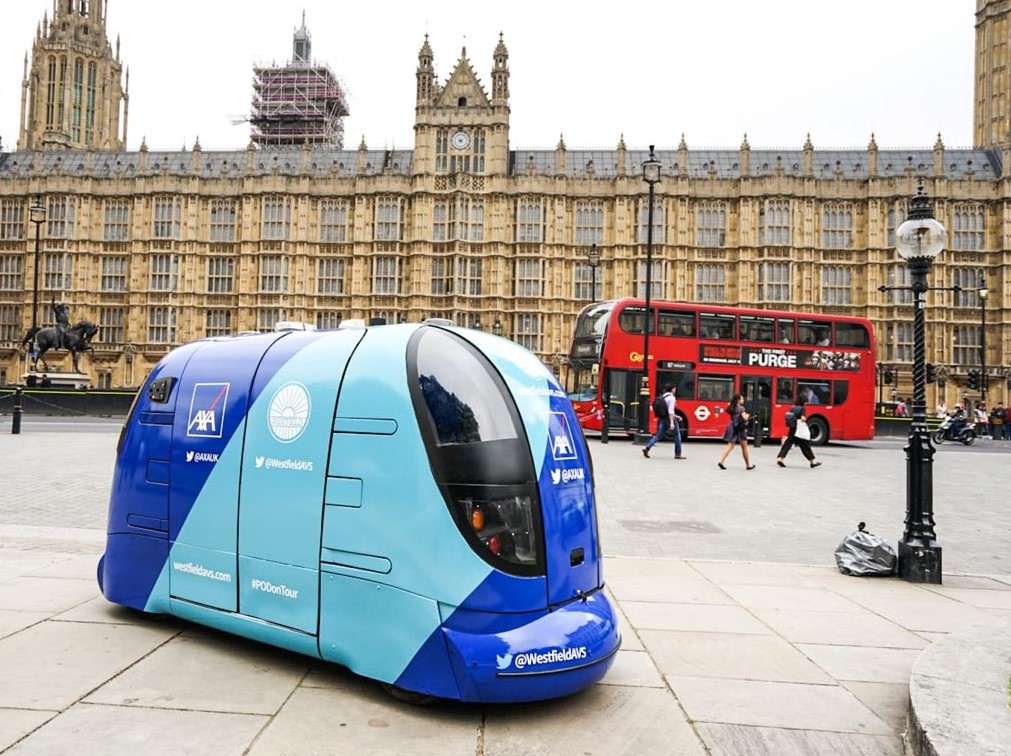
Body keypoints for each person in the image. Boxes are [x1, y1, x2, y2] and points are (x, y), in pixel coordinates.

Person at [776, 398, 822, 469]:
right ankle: (812, 462)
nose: (806, 403)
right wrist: (805, 419)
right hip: (799, 430)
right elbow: (803, 418)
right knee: (805, 446)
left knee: (787, 444)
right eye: (806, 402)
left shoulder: (792, 408)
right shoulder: (802, 408)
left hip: (793, 428)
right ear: (803, 402)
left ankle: (780, 458)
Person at [643, 385, 685, 460]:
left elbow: (666, 411)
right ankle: (678, 454)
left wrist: (677, 416)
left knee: (658, 435)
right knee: (677, 436)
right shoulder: (672, 398)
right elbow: (670, 411)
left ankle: (647, 448)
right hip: (669, 419)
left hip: (662, 419)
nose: (675, 390)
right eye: (675, 388)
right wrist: (672, 423)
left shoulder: (663, 396)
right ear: (672, 389)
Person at [717, 394, 755, 470]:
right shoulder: (741, 408)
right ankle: (748, 465)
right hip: (740, 429)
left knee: (730, 446)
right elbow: (744, 418)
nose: (743, 400)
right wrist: (748, 415)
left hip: (732, 427)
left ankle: (721, 461)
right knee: (744, 447)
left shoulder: (731, 407)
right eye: (742, 399)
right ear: (738, 400)